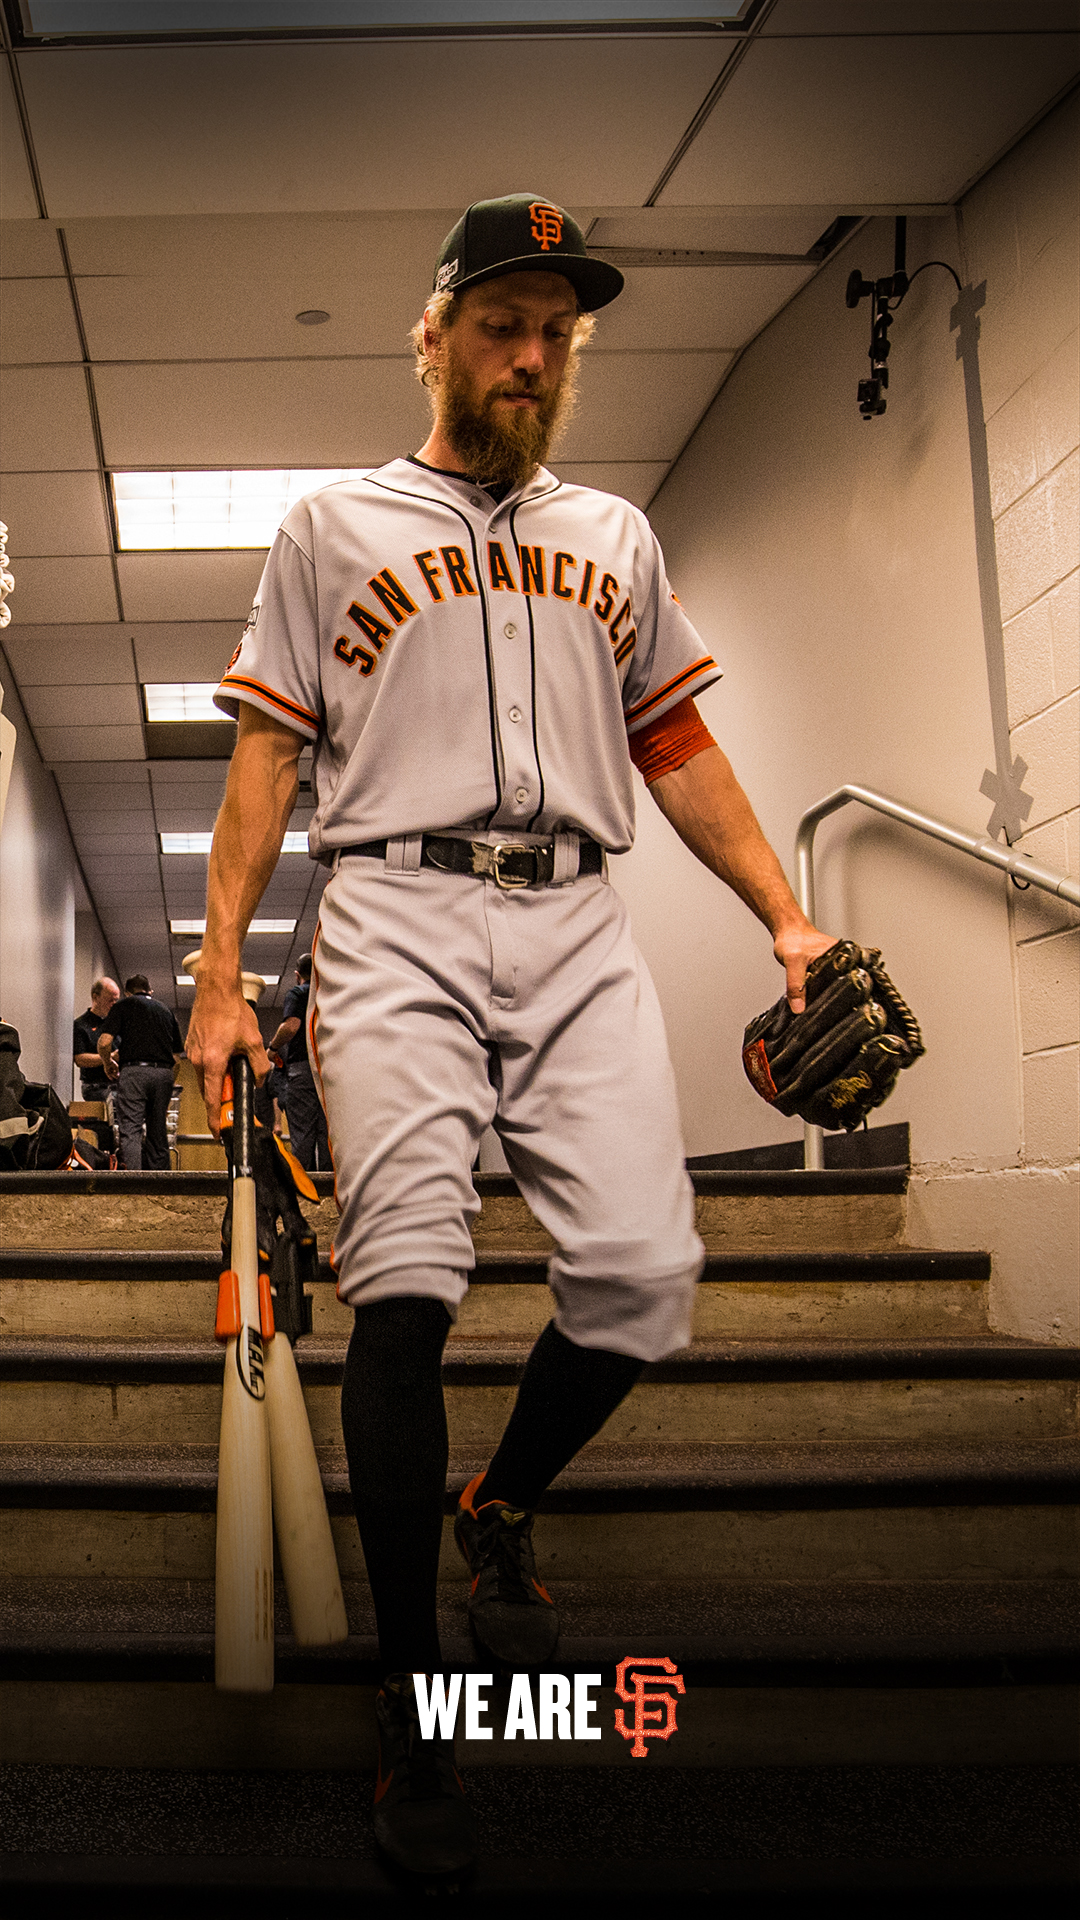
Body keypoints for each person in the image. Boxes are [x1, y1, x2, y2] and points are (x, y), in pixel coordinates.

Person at [187, 193, 834, 1881]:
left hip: (575, 920)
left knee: (641, 1279)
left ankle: (500, 1502)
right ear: (438, 337)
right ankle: (418, 1709)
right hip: (394, 911)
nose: (530, 353)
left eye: (554, 329)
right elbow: (264, 764)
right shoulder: (333, 527)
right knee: (407, 1281)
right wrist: (213, 984)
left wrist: (786, 913)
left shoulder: (615, 537)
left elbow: (679, 745)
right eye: (499, 322)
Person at [98, 975, 183, 1171]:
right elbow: (177, 1058)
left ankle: (135, 1184)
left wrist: (107, 1062)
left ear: (127, 993)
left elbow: (104, 1042)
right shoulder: (166, 1010)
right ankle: (162, 1186)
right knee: (158, 1132)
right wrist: (168, 1082)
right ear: (150, 991)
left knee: (131, 1131)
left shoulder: (123, 1006)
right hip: (163, 1074)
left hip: (134, 1073)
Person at [266, 954, 331, 1170]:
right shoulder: (330, 995)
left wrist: (273, 1048)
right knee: (328, 1133)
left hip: (303, 1069)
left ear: (297, 975)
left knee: (303, 1133)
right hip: (329, 1069)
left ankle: (306, 1194)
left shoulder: (298, 993)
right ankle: (329, 1196)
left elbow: (291, 1026)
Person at [73, 977, 120, 1102]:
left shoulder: (118, 1024)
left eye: (116, 1000)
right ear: (95, 997)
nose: (114, 1005)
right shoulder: (81, 1025)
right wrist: (109, 1058)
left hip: (119, 1084)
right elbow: (80, 1059)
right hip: (95, 1086)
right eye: (110, 1000)